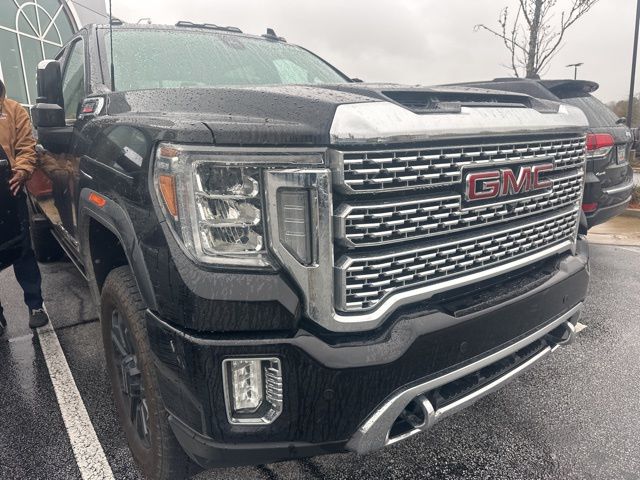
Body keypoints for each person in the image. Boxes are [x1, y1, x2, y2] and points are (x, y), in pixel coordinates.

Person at [0, 78, 50, 336]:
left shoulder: (13, 110)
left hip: (10, 190)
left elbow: (26, 147)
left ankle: (35, 305)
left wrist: (21, 171)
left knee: (22, 250)